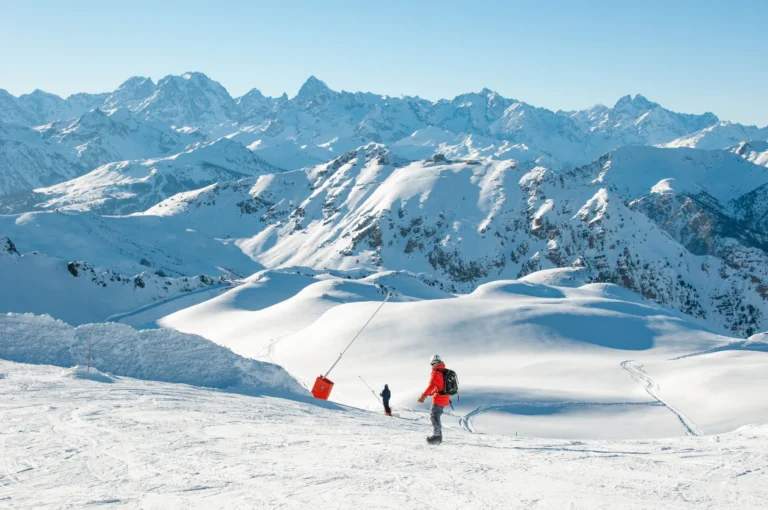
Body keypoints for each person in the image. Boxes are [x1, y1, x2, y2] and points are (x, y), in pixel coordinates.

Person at [417, 354, 450, 444]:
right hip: (445, 397)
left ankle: (436, 437)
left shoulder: (436, 372)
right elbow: (439, 386)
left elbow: (432, 386)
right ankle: (439, 436)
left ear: (433, 363)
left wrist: (423, 396)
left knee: (434, 416)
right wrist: (431, 393)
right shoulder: (443, 371)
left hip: (439, 399)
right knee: (437, 416)